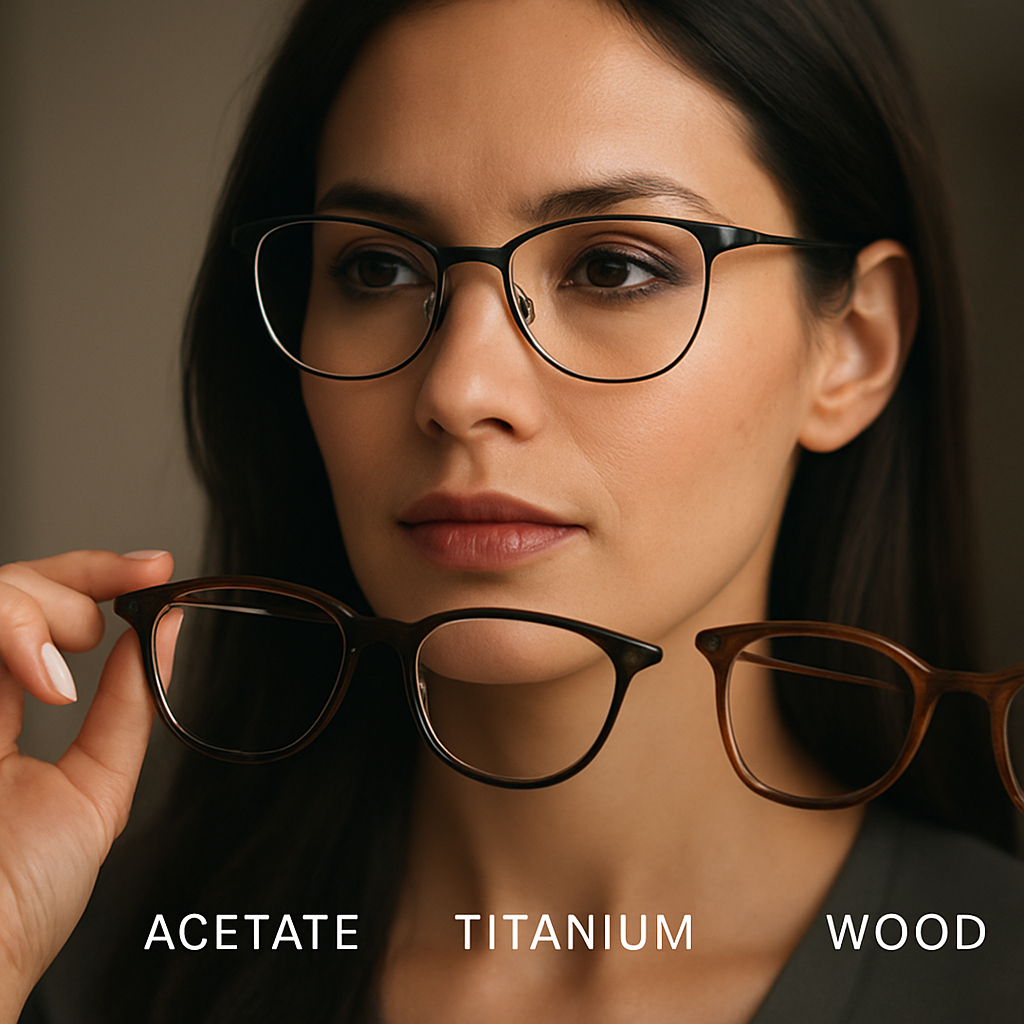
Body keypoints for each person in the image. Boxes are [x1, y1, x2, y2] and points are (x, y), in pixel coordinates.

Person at [4, 0, 1023, 1021]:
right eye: (378, 267)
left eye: (613, 267)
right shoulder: (86, 959)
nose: (459, 387)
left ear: (853, 347)